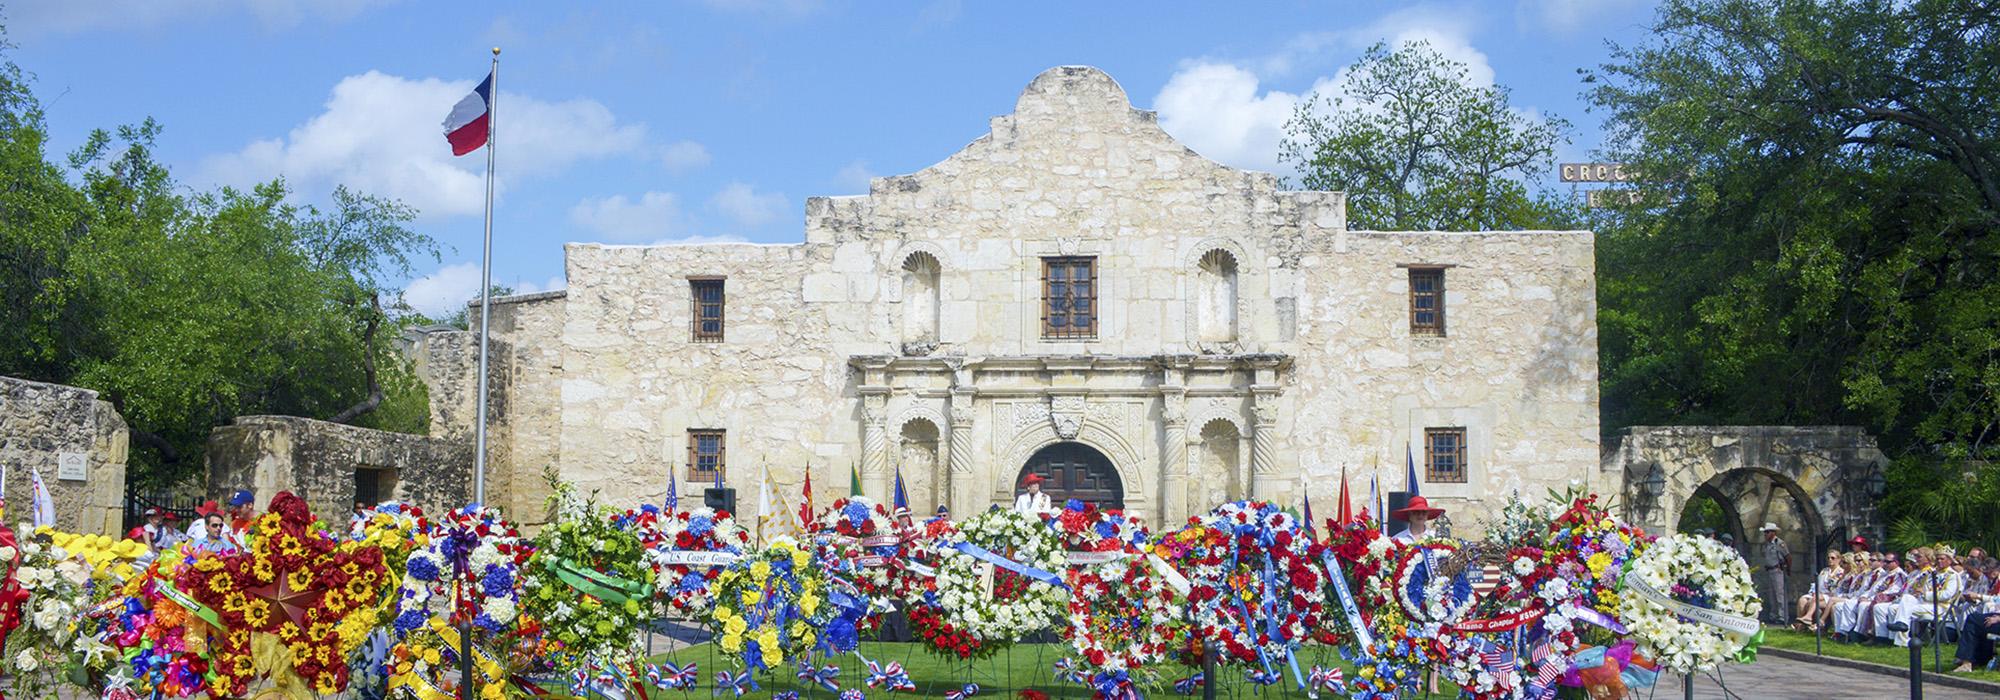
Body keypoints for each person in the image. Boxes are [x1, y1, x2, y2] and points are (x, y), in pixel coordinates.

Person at [1833, 552, 1891, 642]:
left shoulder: (1881, 574)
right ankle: (1841, 633)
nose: (1870, 562)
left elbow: (1877, 590)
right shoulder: (1869, 574)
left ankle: (1856, 633)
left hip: (1872, 599)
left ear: (1880, 562)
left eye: (1872, 560)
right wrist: (1861, 596)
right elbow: (1863, 589)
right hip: (1861, 597)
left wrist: (1867, 598)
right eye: (1869, 560)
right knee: (1838, 606)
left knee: (1856, 604)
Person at [1795, 550, 1844, 631]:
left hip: (1830, 595)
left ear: (1839, 559)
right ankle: (1801, 624)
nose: (1830, 560)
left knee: (1814, 599)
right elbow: (1817, 584)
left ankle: (1808, 617)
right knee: (1802, 600)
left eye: (1833, 558)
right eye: (1828, 558)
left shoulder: (1841, 572)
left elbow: (1837, 588)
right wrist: (1813, 591)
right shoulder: (1824, 571)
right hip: (1819, 594)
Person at [1759, 523, 1791, 624]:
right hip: (1770, 570)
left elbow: (1788, 557)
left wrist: (1788, 570)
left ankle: (1782, 616)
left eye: (1767, 532)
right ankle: (1773, 615)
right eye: (1765, 532)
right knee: (1772, 594)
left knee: (1779, 594)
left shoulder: (1779, 543)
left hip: (1777, 570)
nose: (1765, 534)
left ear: (1773, 532)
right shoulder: (1767, 544)